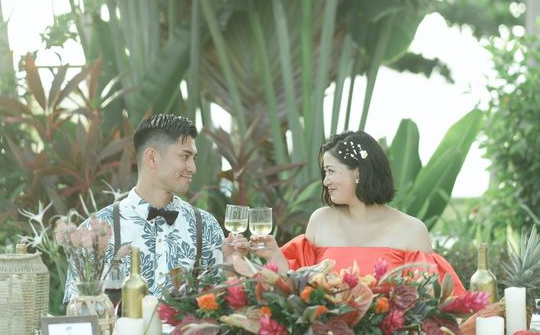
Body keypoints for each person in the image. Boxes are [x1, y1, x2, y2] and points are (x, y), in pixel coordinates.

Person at [251, 130, 465, 296]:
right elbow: (295, 288)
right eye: (325, 172)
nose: (325, 181)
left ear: (359, 173)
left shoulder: (411, 230)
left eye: (331, 171)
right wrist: (274, 256)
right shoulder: (320, 220)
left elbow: (428, 302)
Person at [64, 113, 228, 302]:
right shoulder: (93, 233)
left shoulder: (206, 227)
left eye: (194, 158)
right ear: (152, 158)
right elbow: (78, 311)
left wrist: (232, 267)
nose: (193, 168)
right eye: (185, 156)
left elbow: (221, 305)